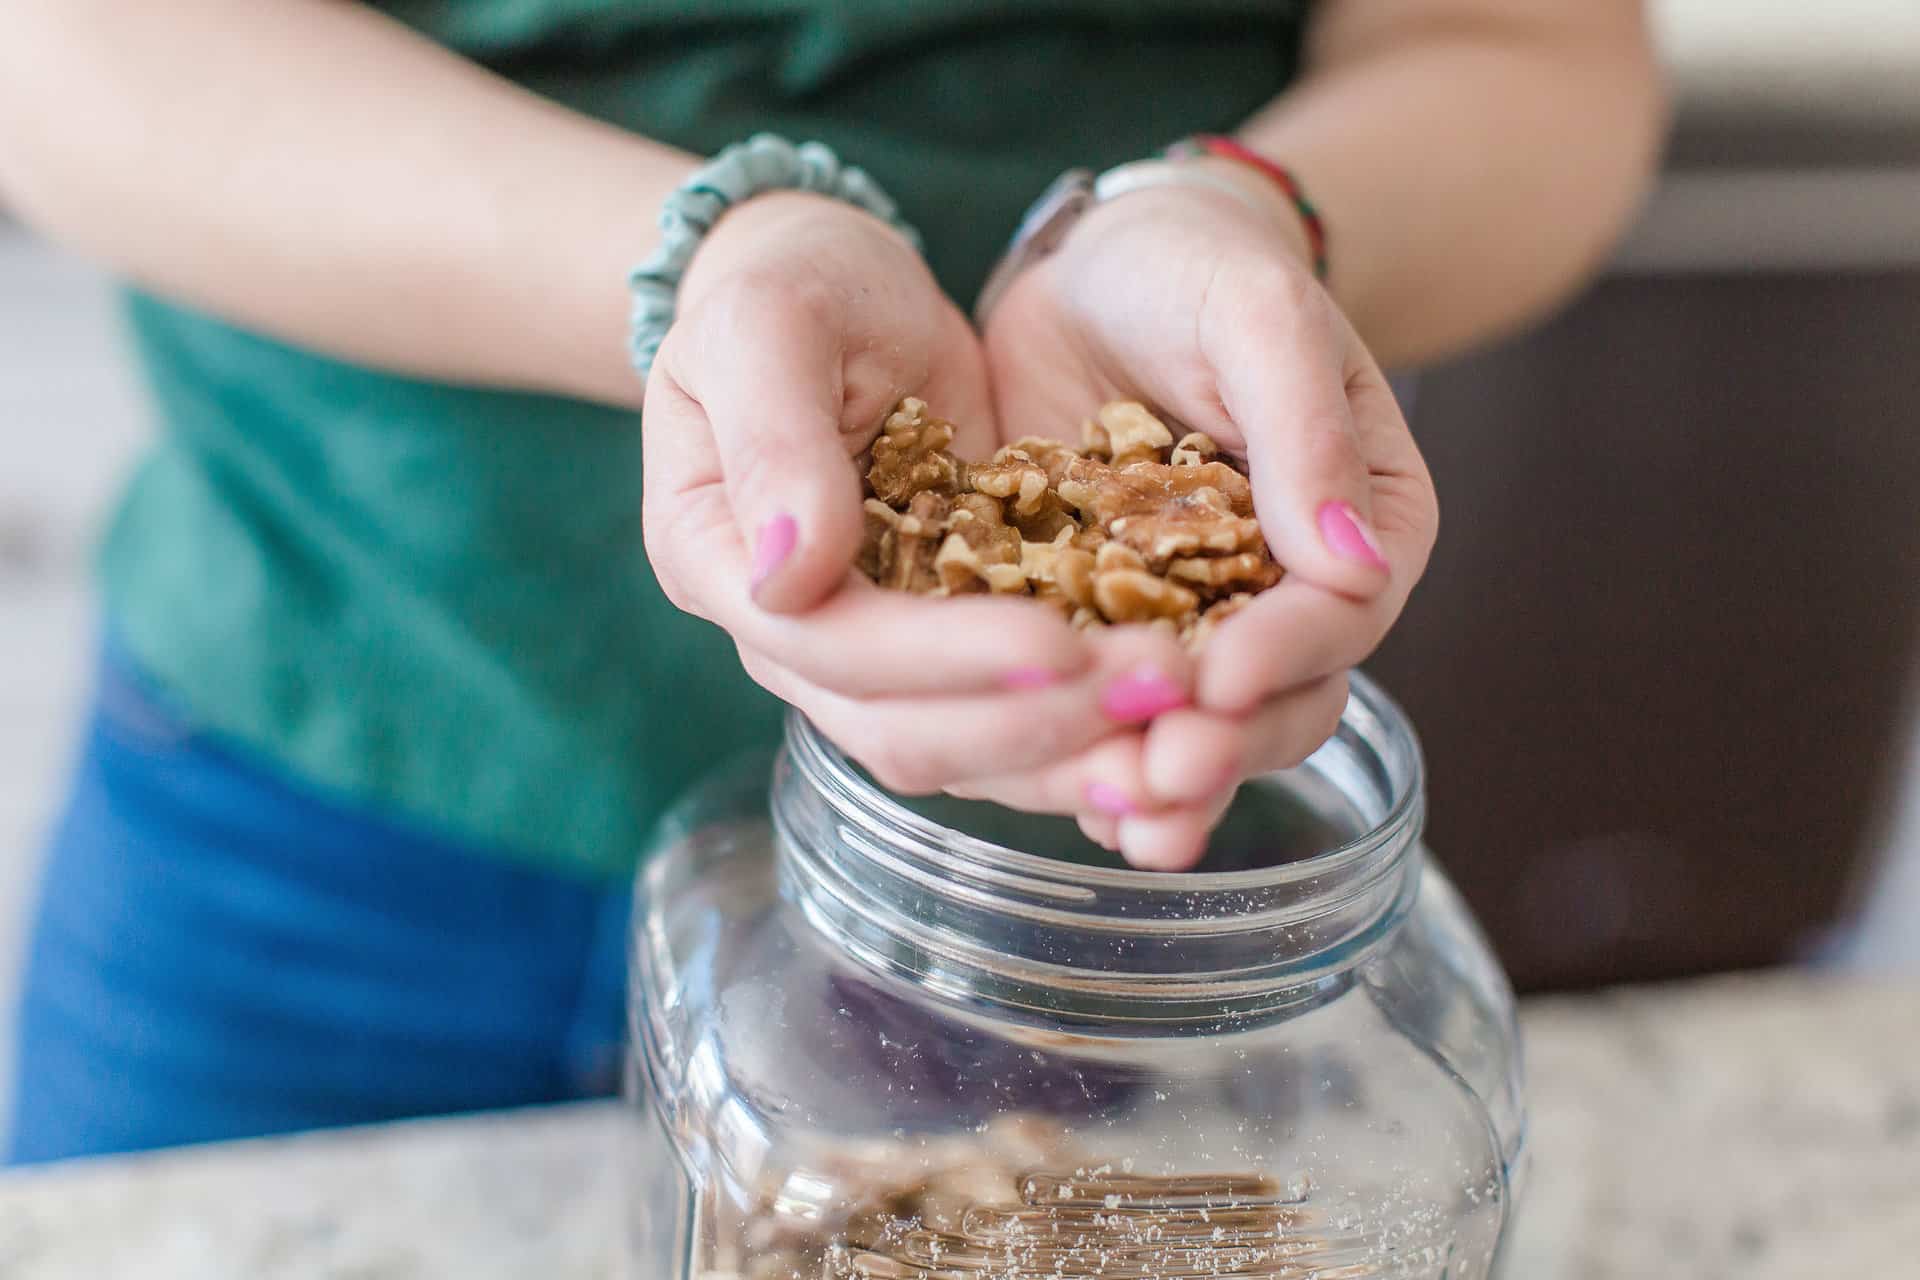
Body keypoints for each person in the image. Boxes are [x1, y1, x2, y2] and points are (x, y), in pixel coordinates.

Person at [0, 0, 1664, 1163]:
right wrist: (712, 267)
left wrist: (1238, 220)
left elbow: (1526, 45)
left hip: (1058, 898)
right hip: (313, 781)